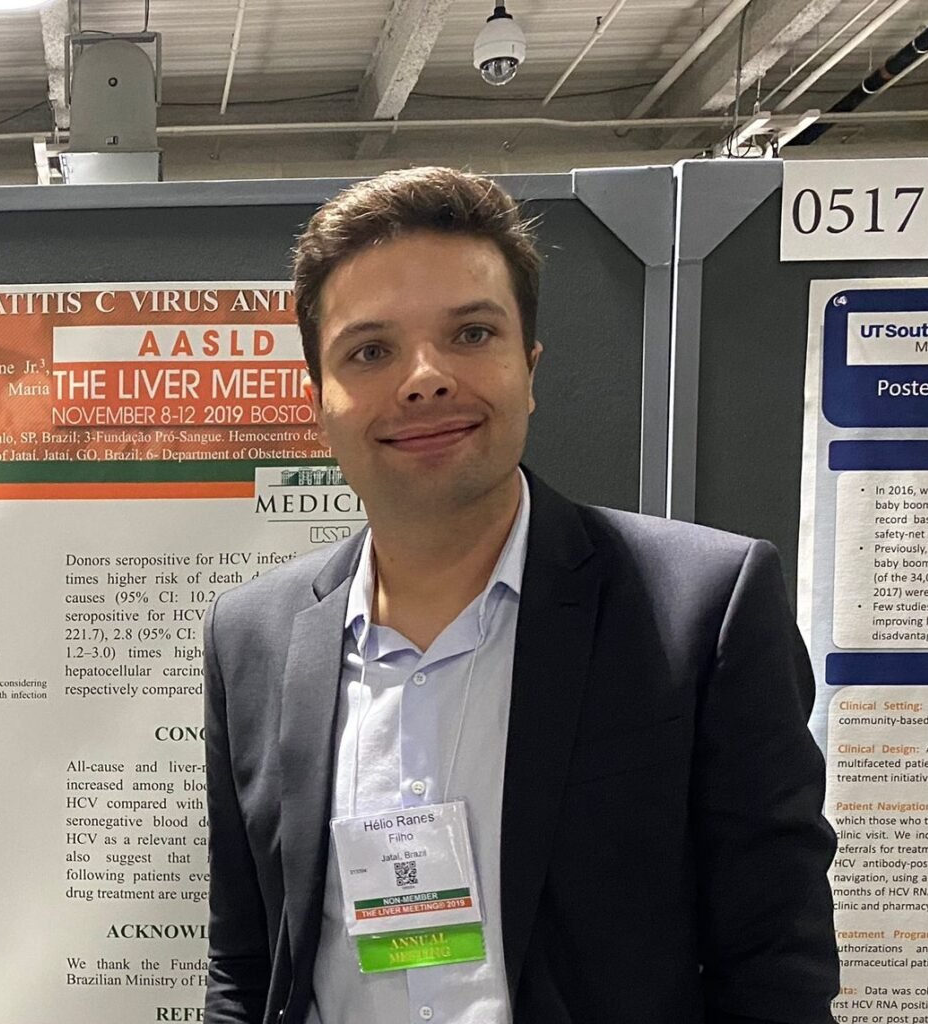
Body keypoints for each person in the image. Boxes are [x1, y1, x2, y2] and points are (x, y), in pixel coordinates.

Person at [203, 166, 839, 1024]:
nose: (425, 378)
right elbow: (245, 966)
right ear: (320, 399)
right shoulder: (254, 636)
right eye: (370, 351)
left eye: (471, 333)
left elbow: (775, 968)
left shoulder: (701, 609)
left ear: (528, 368)